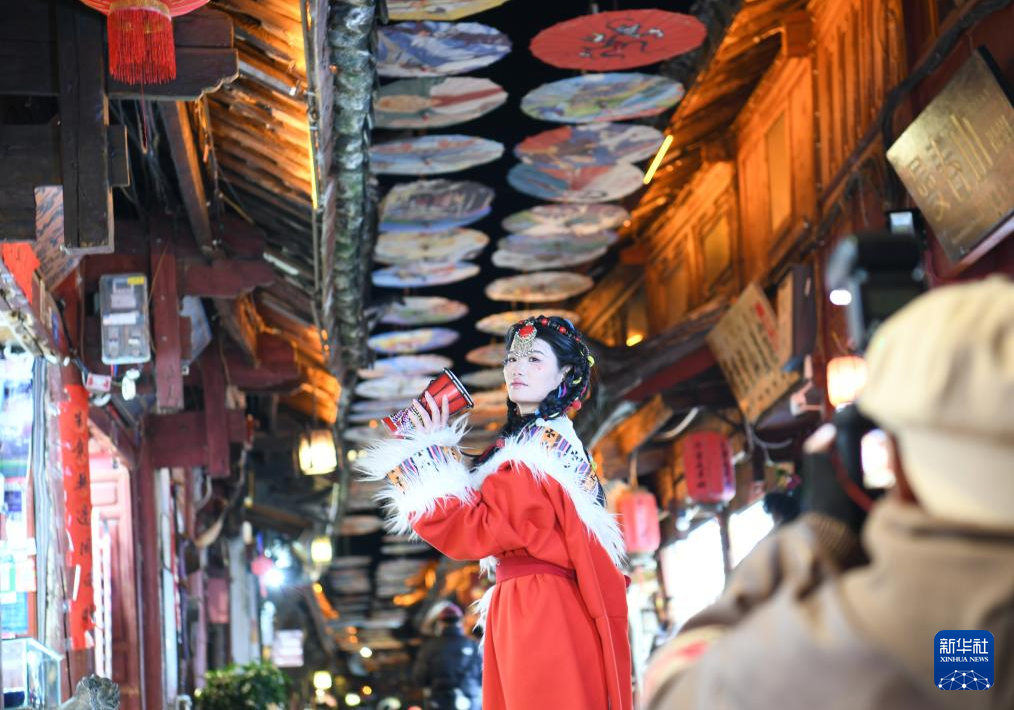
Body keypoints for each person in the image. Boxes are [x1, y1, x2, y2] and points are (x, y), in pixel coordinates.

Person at [643, 277, 1013, 709]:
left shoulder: (869, 633)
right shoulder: (966, 646)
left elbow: (674, 689)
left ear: (900, 467)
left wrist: (815, 538)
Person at [359, 315, 632, 710]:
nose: (517, 369)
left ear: (564, 374)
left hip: (540, 607)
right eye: (511, 359)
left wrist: (429, 451)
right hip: (538, 601)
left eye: (534, 359)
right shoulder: (542, 444)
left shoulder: (534, 455)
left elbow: (476, 530)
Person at [413, 603, 483, 710]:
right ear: (461, 622)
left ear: (440, 624)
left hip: (439, 701)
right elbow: (484, 674)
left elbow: (419, 678)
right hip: (470, 701)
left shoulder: (429, 648)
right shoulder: (473, 646)